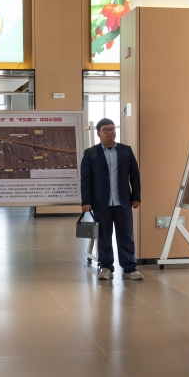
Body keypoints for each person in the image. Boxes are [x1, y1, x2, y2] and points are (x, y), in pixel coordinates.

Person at [80, 118, 143, 281]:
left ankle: (129, 268)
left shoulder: (126, 150)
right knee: (104, 236)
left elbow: (135, 175)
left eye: (112, 129)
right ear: (98, 133)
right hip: (101, 202)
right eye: (106, 130)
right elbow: (86, 179)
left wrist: (136, 197)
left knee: (126, 235)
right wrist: (86, 201)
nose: (110, 132)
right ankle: (106, 267)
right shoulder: (91, 153)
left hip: (123, 201)